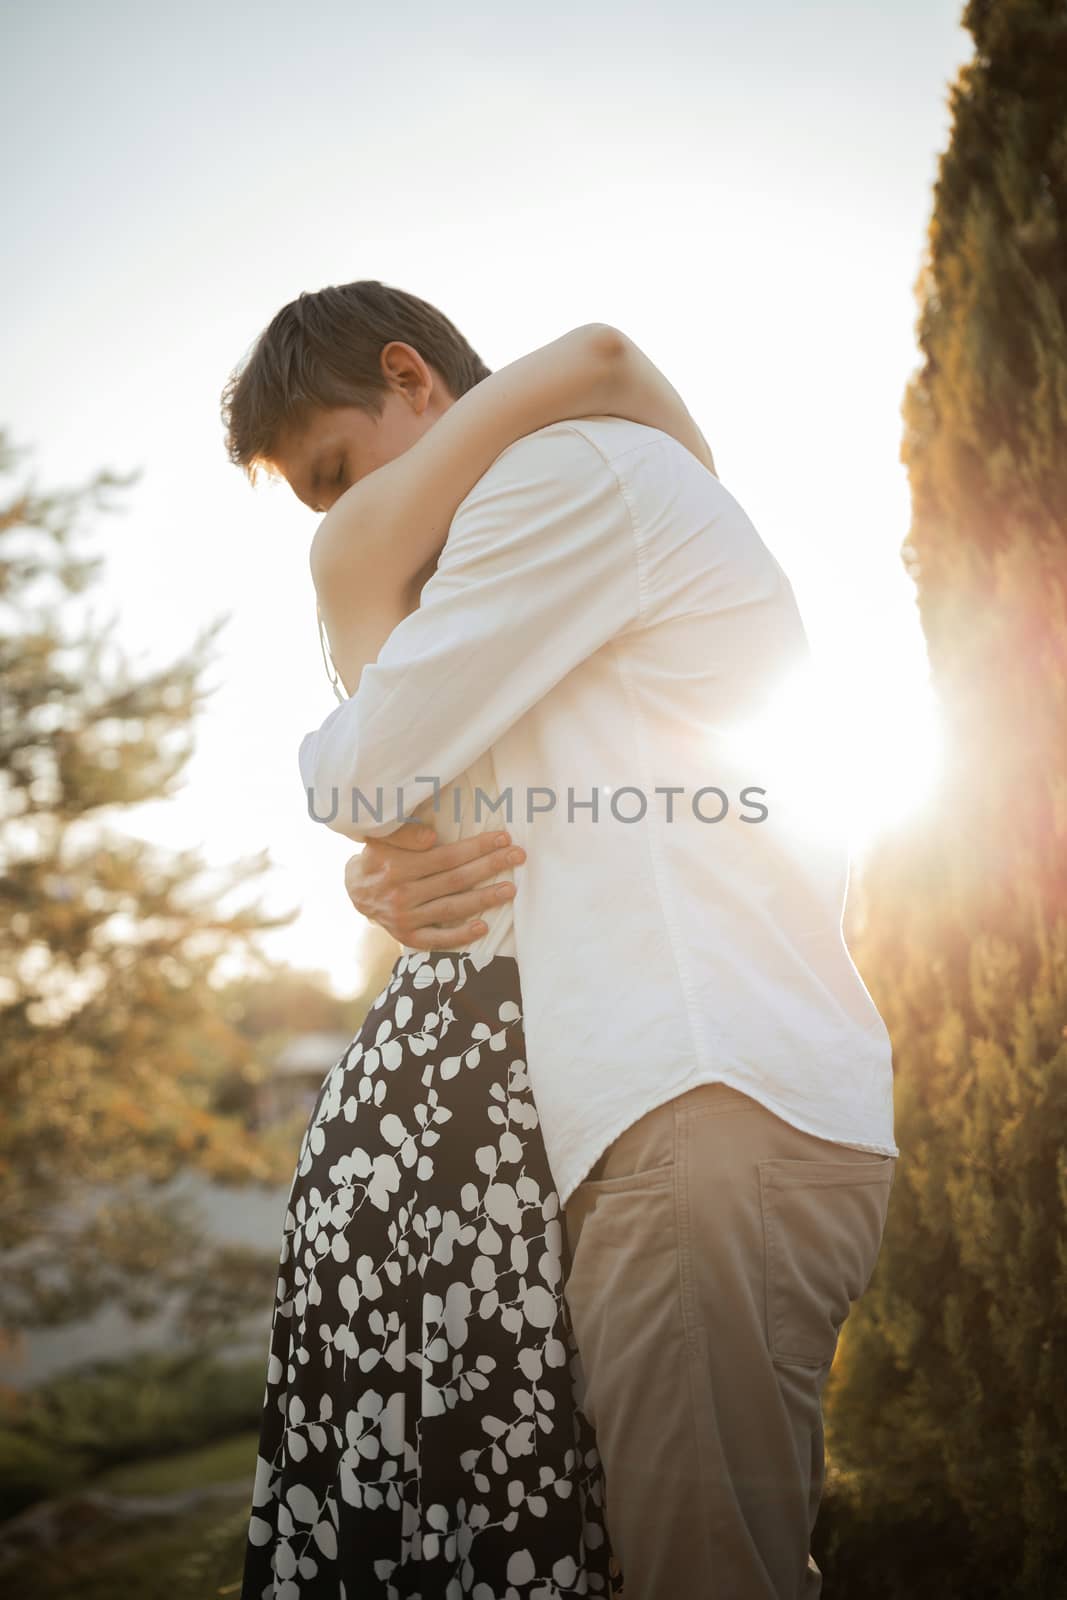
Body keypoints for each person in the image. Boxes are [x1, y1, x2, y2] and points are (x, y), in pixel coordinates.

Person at [223, 279, 900, 1600]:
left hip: (699, 1115)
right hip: (686, 1121)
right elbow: (436, 810)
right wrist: (390, 873)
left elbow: (363, 770)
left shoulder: (562, 477)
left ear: (414, 378)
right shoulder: (557, 534)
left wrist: (341, 570)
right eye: (329, 507)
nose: (361, 519)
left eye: (343, 476)